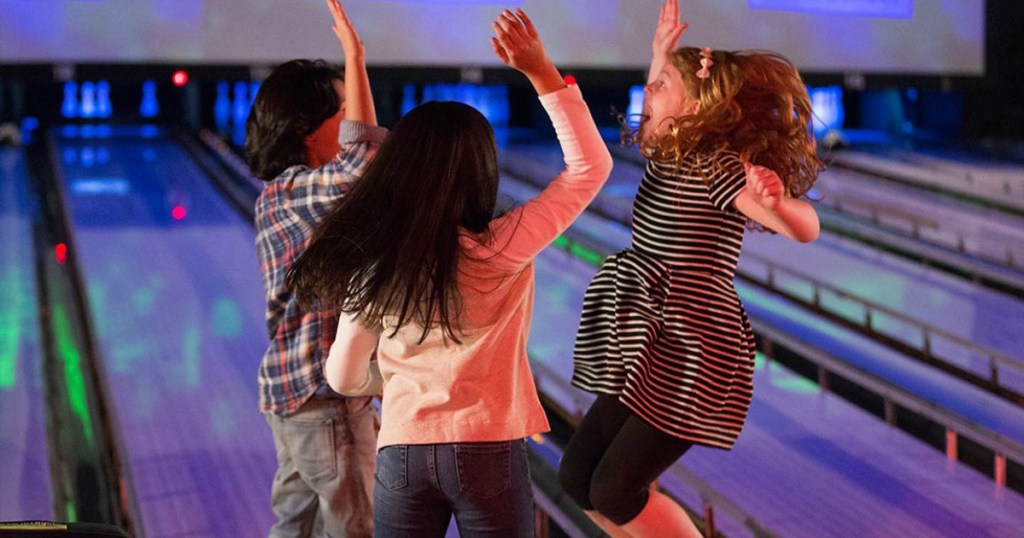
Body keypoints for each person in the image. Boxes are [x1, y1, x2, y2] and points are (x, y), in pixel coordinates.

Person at [287, 9, 612, 537]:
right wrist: (538, 71)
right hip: (489, 449)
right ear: (482, 168)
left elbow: (342, 377)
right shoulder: (504, 242)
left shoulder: (379, 258)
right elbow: (591, 169)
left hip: (404, 451)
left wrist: (395, 381)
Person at [558, 1, 823, 536]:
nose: (647, 92)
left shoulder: (715, 165)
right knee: (577, 477)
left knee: (612, 489)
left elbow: (807, 228)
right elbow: (660, 102)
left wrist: (775, 203)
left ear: (697, 105)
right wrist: (660, 54)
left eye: (660, 87)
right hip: (647, 334)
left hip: (693, 346)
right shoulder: (668, 150)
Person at [246, 1, 385, 536]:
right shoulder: (292, 193)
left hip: (297, 398)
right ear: (307, 129)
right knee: (356, 529)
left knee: (296, 527)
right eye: (342, 111)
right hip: (322, 401)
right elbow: (366, 159)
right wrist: (354, 57)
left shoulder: (292, 196)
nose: (352, 123)